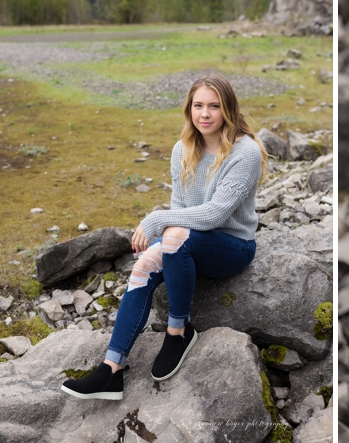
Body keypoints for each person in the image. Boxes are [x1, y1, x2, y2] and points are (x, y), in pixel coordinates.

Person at [62, 74, 268, 400]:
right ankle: (111, 370)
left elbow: (215, 214)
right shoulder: (182, 149)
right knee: (143, 265)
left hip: (232, 246)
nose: (205, 113)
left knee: (174, 237)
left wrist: (158, 220)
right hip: (188, 241)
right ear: (189, 110)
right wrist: (166, 229)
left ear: (227, 109)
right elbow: (181, 209)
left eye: (214, 106)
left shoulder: (246, 153)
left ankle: (178, 331)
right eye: (198, 105)